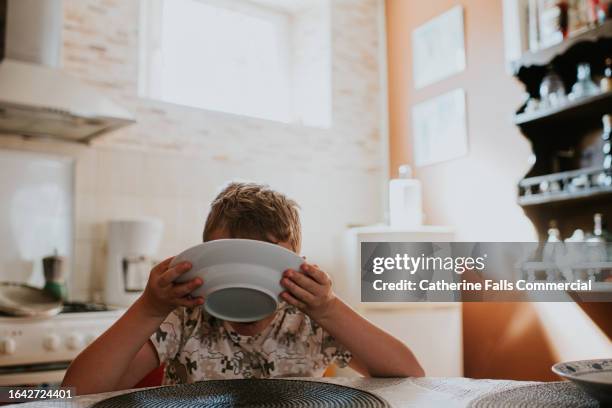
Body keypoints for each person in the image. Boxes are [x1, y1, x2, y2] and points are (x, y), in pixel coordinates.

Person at [62, 182, 424, 395]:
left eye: (265, 263)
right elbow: (79, 391)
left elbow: (410, 376)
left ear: (298, 266)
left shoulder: (309, 320)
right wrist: (149, 307)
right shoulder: (185, 317)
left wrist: (328, 308)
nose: (247, 282)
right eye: (232, 262)